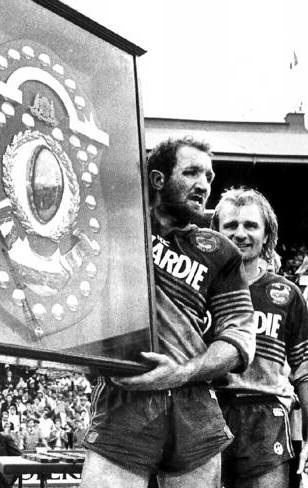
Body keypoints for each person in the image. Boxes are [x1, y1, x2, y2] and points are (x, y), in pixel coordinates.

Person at [80, 137, 256, 488]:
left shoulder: (220, 250)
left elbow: (239, 337)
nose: (204, 184)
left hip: (195, 404)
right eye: (191, 172)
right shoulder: (115, 228)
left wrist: (180, 373)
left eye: (208, 175)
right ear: (158, 179)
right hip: (126, 398)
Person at [210, 188, 308, 487]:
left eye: (250, 225)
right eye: (231, 226)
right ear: (216, 232)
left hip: (265, 414)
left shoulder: (287, 294)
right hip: (206, 408)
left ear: (267, 235)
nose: (240, 233)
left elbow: (307, 369)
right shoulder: (200, 290)